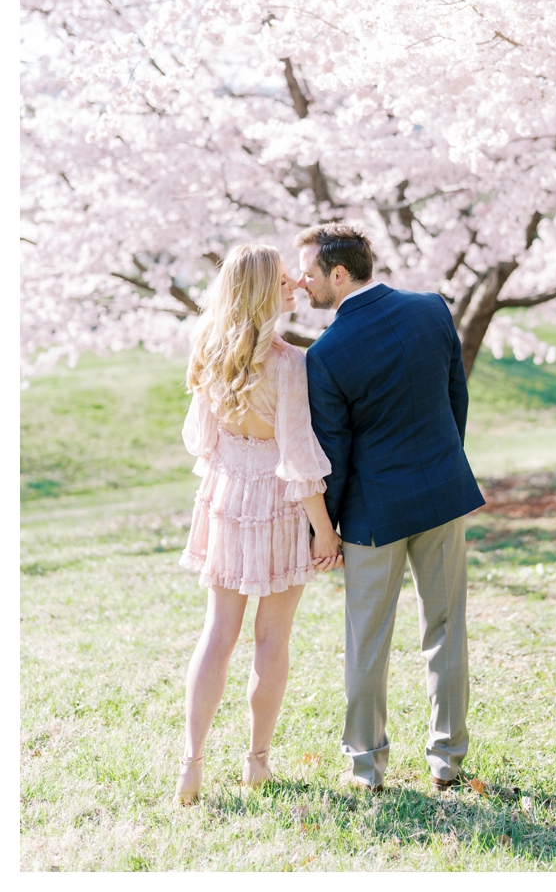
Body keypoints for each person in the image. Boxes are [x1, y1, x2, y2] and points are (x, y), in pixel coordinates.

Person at [297, 223, 485, 793]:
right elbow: (457, 397)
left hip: (373, 517)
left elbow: (335, 454)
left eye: (308, 272)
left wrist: (324, 529)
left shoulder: (326, 354)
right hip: (443, 496)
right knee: (447, 630)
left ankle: (365, 767)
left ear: (337, 273)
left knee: (367, 641)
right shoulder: (432, 310)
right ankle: (447, 760)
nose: (301, 283)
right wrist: (442, 463)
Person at [176, 244, 340, 804]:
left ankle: (191, 763)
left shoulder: (208, 350)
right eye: (285, 279)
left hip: (225, 493)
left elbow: (201, 440)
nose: (296, 282)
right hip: (277, 500)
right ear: (267, 291)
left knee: (217, 633)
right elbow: (298, 455)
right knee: (272, 637)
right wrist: (324, 528)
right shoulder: (290, 363)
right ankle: (256, 762)